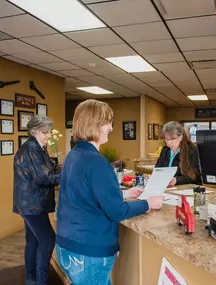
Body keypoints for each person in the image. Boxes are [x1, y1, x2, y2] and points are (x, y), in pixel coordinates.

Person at [56, 99, 163, 285]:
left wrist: (124, 194)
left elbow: (83, 195)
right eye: (107, 123)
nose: (111, 128)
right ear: (95, 124)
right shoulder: (96, 162)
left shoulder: (73, 155)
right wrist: (148, 203)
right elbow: (117, 211)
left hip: (67, 246)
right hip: (88, 251)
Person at [13, 115, 61, 285]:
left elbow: (49, 167)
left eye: (49, 132)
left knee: (33, 240)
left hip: (29, 203)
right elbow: (43, 177)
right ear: (34, 132)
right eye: (45, 132)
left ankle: (31, 279)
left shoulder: (39, 147)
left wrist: (60, 168)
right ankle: (40, 281)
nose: (48, 135)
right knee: (48, 240)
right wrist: (68, 175)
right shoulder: (32, 148)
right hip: (32, 204)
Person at [155, 121, 201, 186]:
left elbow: (195, 176)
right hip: (167, 189)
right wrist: (154, 176)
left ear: (181, 137)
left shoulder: (192, 151)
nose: (169, 143)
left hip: (185, 190)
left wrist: (177, 180)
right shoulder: (165, 150)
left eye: (172, 139)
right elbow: (157, 169)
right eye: (166, 139)